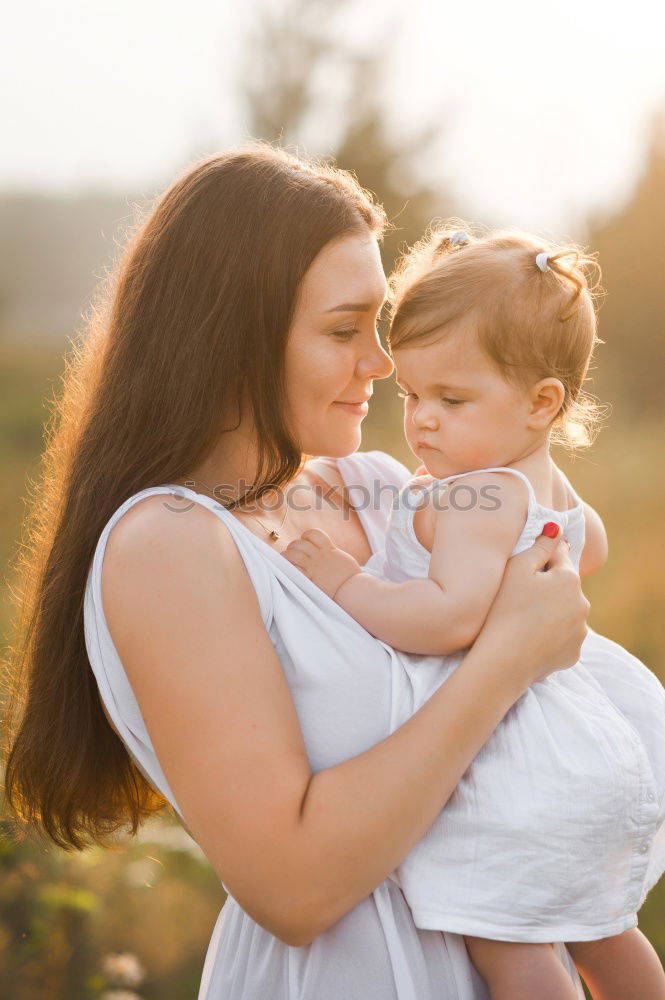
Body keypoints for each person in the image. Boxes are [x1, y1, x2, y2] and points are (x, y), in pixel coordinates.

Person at [3, 146, 592, 1000]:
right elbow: (293, 889)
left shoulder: (385, 489)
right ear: (235, 340)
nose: (384, 364)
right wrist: (505, 659)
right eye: (343, 329)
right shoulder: (167, 543)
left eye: (380, 325)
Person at [282, 225, 665, 1000]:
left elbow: (445, 619)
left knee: (509, 947)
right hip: (588, 741)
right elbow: (583, 548)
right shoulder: (540, 480)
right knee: (600, 930)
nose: (421, 420)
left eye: (451, 400)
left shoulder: (476, 494)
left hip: (517, 758)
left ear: (541, 402)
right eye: (412, 395)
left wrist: (343, 583)